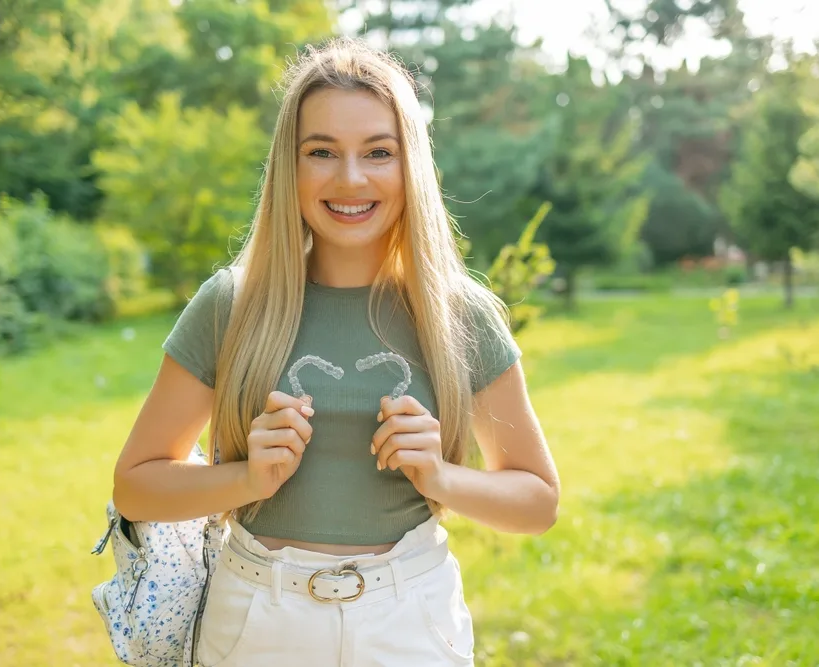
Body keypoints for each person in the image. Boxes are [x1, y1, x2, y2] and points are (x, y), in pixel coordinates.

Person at [112, 35, 560, 667]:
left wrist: (441, 477)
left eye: (379, 152)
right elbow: (135, 488)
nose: (351, 179)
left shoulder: (459, 314)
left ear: (411, 166)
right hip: (257, 620)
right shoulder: (232, 305)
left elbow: (538, 502)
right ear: (289, 167)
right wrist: (244, 479)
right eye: (321, 152)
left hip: (409, 620)